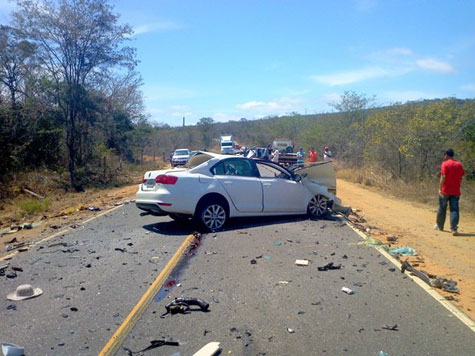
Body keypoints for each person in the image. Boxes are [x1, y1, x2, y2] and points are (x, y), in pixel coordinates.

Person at [434, 149, 465, 235]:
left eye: (444, 155)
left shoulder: (445, 164)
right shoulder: (459, 164)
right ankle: (454, 229)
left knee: (442, 208)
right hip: (455, 191)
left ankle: (440, 226)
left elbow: (443, 176)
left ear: (446, 155)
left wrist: (440, 188)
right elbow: (461, 176)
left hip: (445, 190)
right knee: (454, 209)